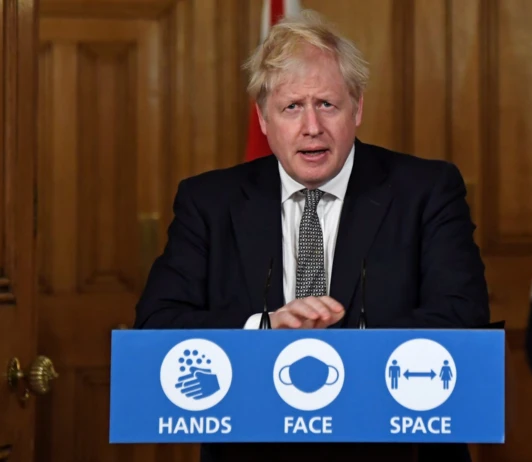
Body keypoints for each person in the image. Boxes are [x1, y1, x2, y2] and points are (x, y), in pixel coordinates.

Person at [134, 9, 489, 462]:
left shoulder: (426, 191)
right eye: (291, 107)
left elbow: (464, 320)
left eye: (326, 104)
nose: (311, 127)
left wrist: (341, 349)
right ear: (264, 119)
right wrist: (263, 331)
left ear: (357, 108)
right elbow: (156, 328)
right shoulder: (210, 201)